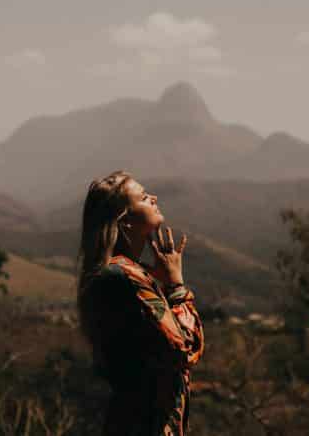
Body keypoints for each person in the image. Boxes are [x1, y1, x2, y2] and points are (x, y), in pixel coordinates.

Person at [77, 170, 205, 436]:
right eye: (145, 198)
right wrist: (176, 286)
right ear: (125, 223)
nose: (154, 198)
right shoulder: (123, 277)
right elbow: (186, 349)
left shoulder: (126, 275)